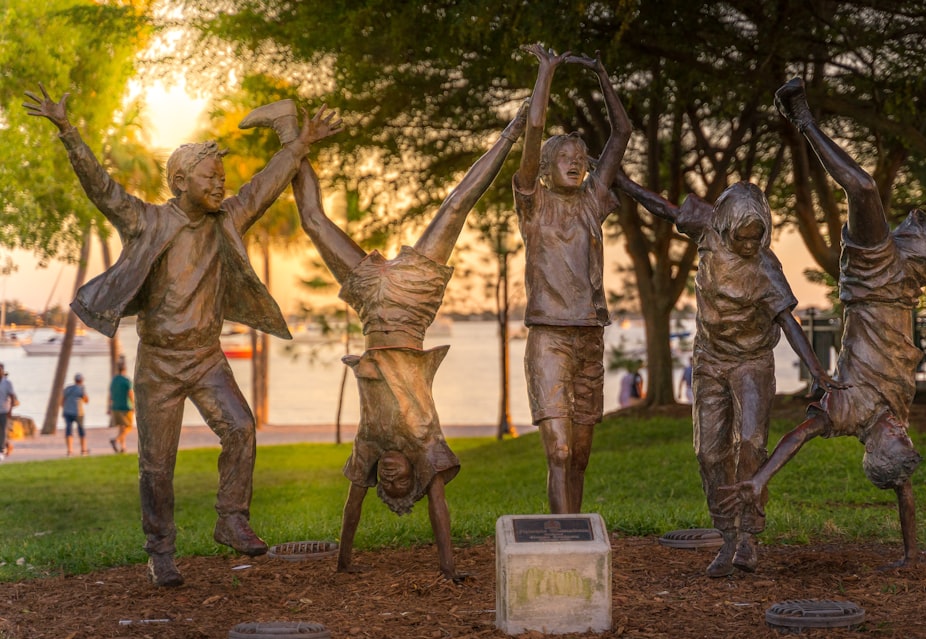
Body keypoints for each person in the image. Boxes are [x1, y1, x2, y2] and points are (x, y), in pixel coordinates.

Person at [24, 85, 342, 587]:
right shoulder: (147, 220)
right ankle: (161, 551)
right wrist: (69, 132)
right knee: (156, 467)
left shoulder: (228, 219)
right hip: (159, 363)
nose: (221, 184)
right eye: (210, 177)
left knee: (240, 428)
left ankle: (231, 518)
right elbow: (102, 188)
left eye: (222, 177)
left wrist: (300, 143)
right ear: (179, 181)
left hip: (206, 359)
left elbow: (264, 185)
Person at [719, 78, 926, 568]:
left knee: (864, 187)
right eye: (904, 436)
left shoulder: (845, 411)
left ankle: (801, 118)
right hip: (908, 278)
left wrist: (759, 479)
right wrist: (912, 557)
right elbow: (904, 491)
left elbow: (796, 438)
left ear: (876, 447)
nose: (902, 428)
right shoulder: (896, 434)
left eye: (896, 436)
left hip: (870, 280)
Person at [239, 98, 527, 579]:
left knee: (313, 221)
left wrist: (343, 562)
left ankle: (290, 128)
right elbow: (440, 511)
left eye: (385, 484)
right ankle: (512, 132)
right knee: (458, 203)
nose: (391, 478)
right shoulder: (426, 443)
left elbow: (352, 509)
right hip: (414, 302)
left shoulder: (369, 447)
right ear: (415, 474)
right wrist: (449, 568)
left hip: (373, 304)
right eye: (400, 484)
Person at [615, 174, 843, 577]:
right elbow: (663, 206)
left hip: (752, 362)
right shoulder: (708, 228)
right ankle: (726, 536)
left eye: (759, 237)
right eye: (744, 237)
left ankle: (749, 538)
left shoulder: (767, 268)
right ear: (724, 227)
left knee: (751, 444)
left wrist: (818, 371)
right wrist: (618, 179)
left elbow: (788, 322)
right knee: (708, 451)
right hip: (708, 359)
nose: (751, 245)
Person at [515, 44, 631, 514]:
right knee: (559, 451)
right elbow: (534, 129)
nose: (576, 160)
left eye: (581, 156)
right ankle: (564, 541)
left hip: (589, 337)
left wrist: (603, 72)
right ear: (544, 167)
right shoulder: (533, 202)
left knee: (579, 456)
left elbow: (622, 132)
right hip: (549, 338)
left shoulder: (592, 201)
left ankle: (573, 535)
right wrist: (546, 73)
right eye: (565, 154)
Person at [108, 361, 134, 453]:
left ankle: (123, 448)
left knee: (121, 428)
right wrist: (134, 405)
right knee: (129, 427)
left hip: (115, 407)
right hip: (125, 407)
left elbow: (110, 394)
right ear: (125, 370)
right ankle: (116, 440)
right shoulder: (126, 381)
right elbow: (130, 394)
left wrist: (109, 407)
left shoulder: (114, 380)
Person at [62, 373, 89, 456]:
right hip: (78, 413)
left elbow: (62, 400)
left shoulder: (68, 388)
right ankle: (83, 450)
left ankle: (70, 450)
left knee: (68, 431)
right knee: (81, 431)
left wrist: (65, 408)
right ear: (81, 381)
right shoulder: (81, 388)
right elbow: (86, 400)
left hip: (67, 412)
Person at [0, 364, 17, 461]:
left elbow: (12, 397)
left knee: (3, 431)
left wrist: (10, 410)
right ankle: (8, 445)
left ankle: (1, 450)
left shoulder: (7, 383)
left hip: (4, 411)